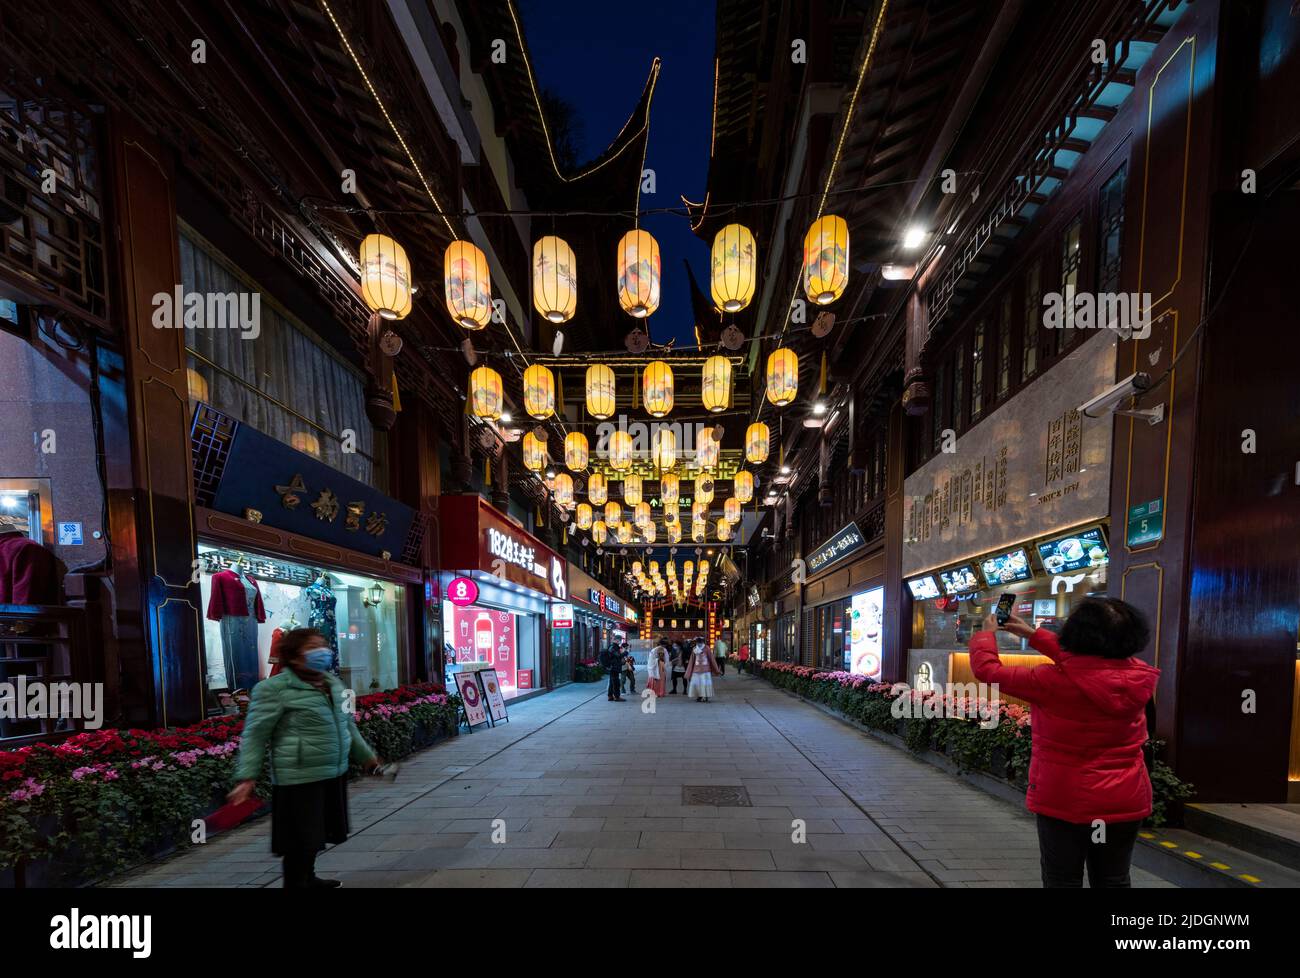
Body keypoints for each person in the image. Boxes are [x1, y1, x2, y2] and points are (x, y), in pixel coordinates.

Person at [968, 598, 1159, 888]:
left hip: (1064, 801)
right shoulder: (1138, 676)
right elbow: (1088, 666)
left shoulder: (1048, 681)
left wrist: (985, 634)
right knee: (1114, 878)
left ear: (1075, 635)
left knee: (1062, 880)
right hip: (1122, 798)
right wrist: (1032, 634)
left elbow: (989, 671)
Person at [228, 628, 383, 888]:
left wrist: (367, 758)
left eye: (323, 644)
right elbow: (255, 734)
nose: (322, 650)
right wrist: (247, 777)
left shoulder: (333, 684)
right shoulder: (273, 689)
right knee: (299, 839)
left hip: (332, 771)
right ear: (294, 655)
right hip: (299, 776)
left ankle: (309, 877)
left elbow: (347, 726)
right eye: (313, 646)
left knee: (317, 832)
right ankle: (296, 883)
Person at [685, 638, 722, 703]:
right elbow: (692, 660)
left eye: (700, 642)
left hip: (704, 670)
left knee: (703, 684)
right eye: (698, 642)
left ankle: (705, 697)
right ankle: (700, 696)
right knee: (699, 684)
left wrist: (716, 669)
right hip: (698, 669)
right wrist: (689, 670)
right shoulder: (695, 649)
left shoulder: (706, 648)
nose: (699, 644)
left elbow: (711, 659)